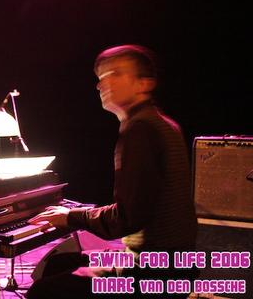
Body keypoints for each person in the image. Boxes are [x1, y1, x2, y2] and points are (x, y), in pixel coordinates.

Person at [27, 45, 197, 298]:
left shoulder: (140, 129)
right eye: (101, 77)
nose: (101, 84)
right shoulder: (161, 123)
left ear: (144, 84)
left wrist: (71, 217)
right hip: (174, 263)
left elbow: (125, 219)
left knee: (43, 292)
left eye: (114, 74)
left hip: (154, 272)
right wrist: (75, 215)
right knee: (58, 263)